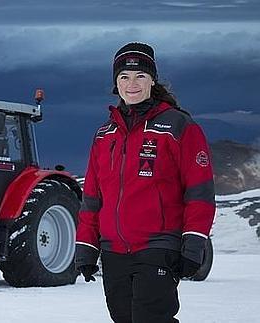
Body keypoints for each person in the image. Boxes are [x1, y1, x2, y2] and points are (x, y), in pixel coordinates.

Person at [75, 42, 216, 323]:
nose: (132, 84)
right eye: (124, 77)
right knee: (123, 318)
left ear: (153, 79)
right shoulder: (105, 134)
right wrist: (86, 247)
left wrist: (194, 244)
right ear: (116, 84)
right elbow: (92, 197)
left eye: (140, 76)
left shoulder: (178, 127)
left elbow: (200, 192)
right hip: (113, 249)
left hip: (158, 246)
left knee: (150, 318)